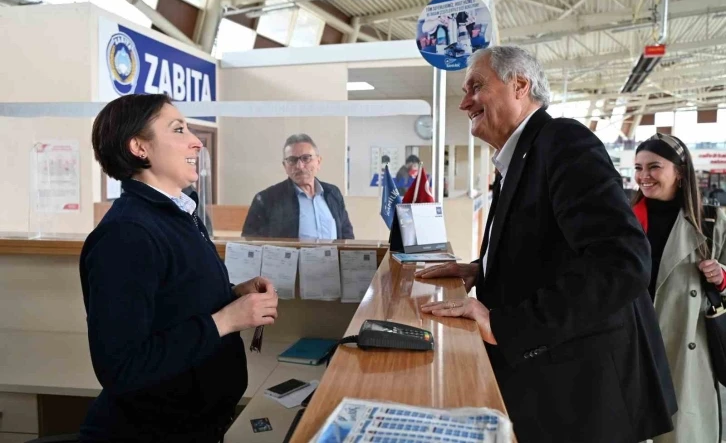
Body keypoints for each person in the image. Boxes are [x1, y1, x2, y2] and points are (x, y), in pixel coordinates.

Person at [417, 46, 676, 442]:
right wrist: (480, 267)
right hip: (554, 381)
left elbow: (621, 263)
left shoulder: (563, 141)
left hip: (584, 392)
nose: (464, 102)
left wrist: (505, 324)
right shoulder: (519, 156)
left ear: (519, 85)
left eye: (476, 87)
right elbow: (548, 245)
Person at [81, 94, 279, 442]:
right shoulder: (126, 235)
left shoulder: (179, 215)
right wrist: (227, 320)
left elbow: (173, 306)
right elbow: (122, 367)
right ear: (139, 147)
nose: (196, 142)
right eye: (178, 130)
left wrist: (232, 298)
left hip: (199, 426)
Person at [632, 134, 726, 443]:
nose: (644, 176)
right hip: (631, 342)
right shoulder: (623, 219)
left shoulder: (711, 222)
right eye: (638, 167)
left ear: (681, 172)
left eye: (654, 167)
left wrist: (722, 276)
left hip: (688, 350)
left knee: (680, 432)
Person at [242, 134, 354, 239]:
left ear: (318, 162)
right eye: (292, 160)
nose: (300, 166)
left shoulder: (332, 193)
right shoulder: (267, 199)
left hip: (332, 260)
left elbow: (347, 237)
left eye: (306, 158)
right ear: (285, 166)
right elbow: (249, 242)